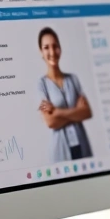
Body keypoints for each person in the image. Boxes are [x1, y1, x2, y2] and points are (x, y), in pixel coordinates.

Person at [36, 27, 93, 162]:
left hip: (82, 146)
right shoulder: (42, 84)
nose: (52, 52)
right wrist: (75, 112)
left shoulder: (73, 79)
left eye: (55, 46)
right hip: (61, 151)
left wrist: (56, 111)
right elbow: (50, 121)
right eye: (46, 47)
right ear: (41, 52)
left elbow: (87, 112)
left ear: (60, 48)